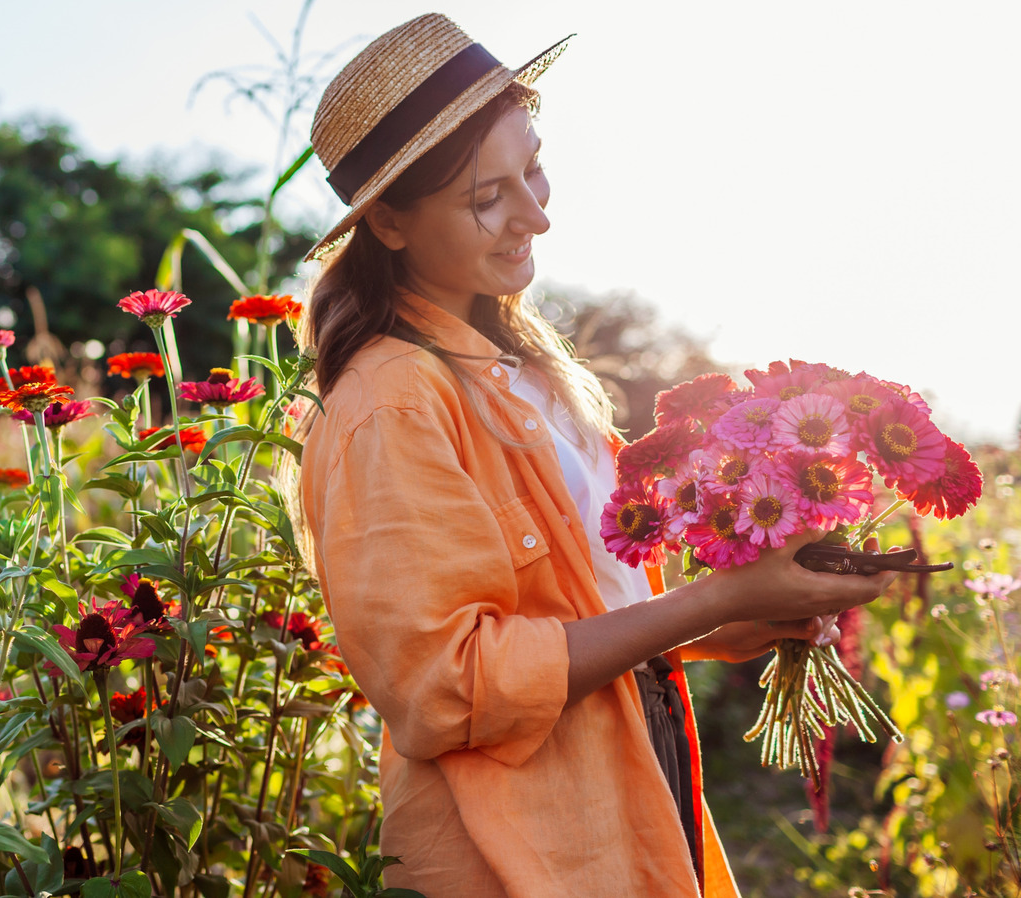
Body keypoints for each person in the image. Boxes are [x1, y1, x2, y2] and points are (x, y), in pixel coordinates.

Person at [292, 13, 899, 897]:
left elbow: (580, 616)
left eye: (533, 167)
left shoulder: (523, 371)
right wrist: (714, 597)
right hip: (517, 841)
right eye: (486, 198)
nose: (535, 214)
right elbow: (447, 688)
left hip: (630, 778)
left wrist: (722, 625)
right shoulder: (391, 402)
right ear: (388, 221)